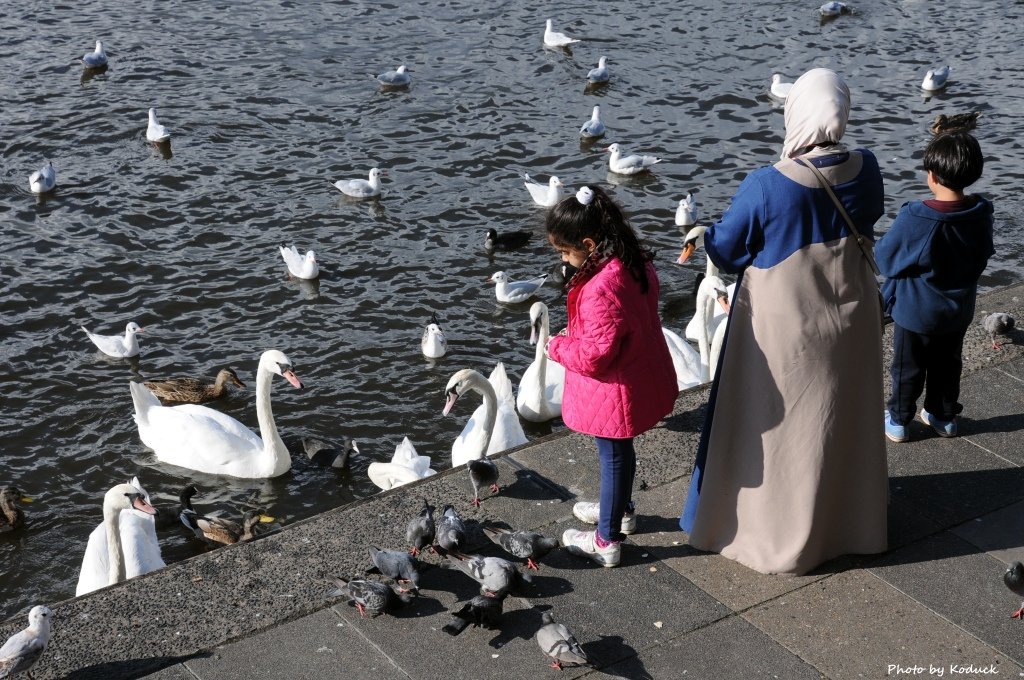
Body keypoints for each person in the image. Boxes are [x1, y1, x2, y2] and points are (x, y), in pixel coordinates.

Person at [679, 68, 888, 575]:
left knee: (778, 425)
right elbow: (870, 216)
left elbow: (727, 250)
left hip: (786, 323)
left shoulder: (768, 184)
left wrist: (704, 234)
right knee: (838, 422)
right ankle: (851, 526)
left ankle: (776, 534)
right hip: (851, 312)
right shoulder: (868, 167)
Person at [545, 185, 677, 568]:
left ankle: (606, 540)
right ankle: (620, 510)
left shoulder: (599, 287)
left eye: (566, 252)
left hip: (614, 389)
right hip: (641, 371)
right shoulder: (634, 261)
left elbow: (596, 356)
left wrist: (557, 346)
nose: (565, 261)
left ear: (588, 243)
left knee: (614, 455)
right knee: (622, 453)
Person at [877, 131, 994, 442]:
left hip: (916, 312)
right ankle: (943, 416)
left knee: (907, 367)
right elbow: (983, 256)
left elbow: (885, 260)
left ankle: (900, 420)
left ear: (931, 176)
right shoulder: (982, 214)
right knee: (948, 364)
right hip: (958, 310)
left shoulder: (918, 216)